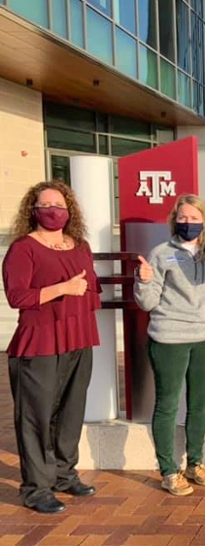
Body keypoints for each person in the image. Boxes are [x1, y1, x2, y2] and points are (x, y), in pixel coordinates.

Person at [2, 181, 101, 513]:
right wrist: (63, 288)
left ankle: (63, 474)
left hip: (79, 339)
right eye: (45, 205)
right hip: (39, 342)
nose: (52, 210)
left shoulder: (80, 245)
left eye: (59, 204)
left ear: (69, 210)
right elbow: (18, 297)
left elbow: (91, 287)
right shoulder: (23, 248)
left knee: (70, 413)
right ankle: (36, 488)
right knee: (36, 418)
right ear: (33, 210)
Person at [134, 194, 205, 496]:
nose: (188, 223)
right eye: (183, 217)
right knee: (167, 405)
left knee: (200, 405)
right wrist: (142, 280)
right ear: (174, 220)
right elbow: (147, 303)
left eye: (195, 218)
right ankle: (168, 470)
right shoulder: (160, 254)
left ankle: (195, 462)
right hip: (168, 340)